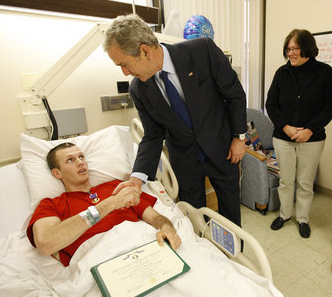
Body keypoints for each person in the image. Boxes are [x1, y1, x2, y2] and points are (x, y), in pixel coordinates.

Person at [103, 14, 247, 227]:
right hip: (186, 161)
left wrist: (239, 137)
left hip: (223, 151)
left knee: (230, 217)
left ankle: (233, 259)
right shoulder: (139, 89)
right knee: (193, 221)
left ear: (144, 51)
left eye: (124, 64)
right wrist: (136, 178)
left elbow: (234, 94)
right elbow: (152, 136)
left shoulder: (202, 52)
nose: (125, 72)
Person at [27, 143, 181, 266]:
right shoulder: (51, 205)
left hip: (146, 250)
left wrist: (168, 230)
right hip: (103, 263)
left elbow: (156, 218)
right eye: (70, 160)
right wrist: (111, 203)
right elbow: (45, 243)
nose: (80, 162)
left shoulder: (117, 187)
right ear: (57, 173)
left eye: (81, 157)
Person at [266, 29, 332, 238]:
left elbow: (329, 107)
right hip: (283, 138)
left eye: (295, 48)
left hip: (312, 140)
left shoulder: (324, 72)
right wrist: (286, 127)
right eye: (288, 49)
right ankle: (285, 214)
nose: (291, 53)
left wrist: (309, 130)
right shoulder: (282, 73)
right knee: (286, 181)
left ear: (307, 48)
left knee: (305, 183)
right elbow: (271, 104)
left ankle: (303, 218)